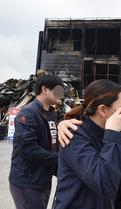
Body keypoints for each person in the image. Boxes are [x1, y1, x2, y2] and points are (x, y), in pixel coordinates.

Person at [54, 79, 121, 209]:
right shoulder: (74, 136)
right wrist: (112, 134)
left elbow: (99, 173)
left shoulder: (104, 133)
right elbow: (105, 185)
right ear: (103, 110)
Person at [8, 74, 82, 209]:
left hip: (42, 178)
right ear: (45, 89)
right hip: (28, 180)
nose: (61, 95)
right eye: (58, 90)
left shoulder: (51, 113)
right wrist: (62, 159)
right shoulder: (28, 114)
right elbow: (28, 149)